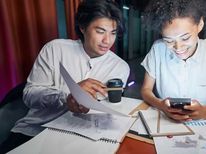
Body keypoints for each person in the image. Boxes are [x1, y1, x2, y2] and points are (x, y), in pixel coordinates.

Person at [0, 0, 129, 153]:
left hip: (84, 138)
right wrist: (66, 97)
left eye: (113, 33)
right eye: (100, 31)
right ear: (82, 27)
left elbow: (109, 107)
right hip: (35, 131)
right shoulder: (55, 49)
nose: (107, 41)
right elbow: (29, 95)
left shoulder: (120, 67)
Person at [141, 0, 206, 122]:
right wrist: (161, 105)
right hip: (167, 124)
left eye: (185, 38)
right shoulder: (158, 49)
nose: (178, 47)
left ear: (200, 24)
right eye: (169, 41)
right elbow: (145, 90)